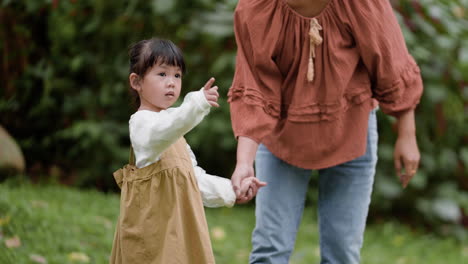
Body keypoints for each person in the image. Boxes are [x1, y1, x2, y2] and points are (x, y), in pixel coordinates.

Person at [228, 0, 423, 263]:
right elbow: (256, 90)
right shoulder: (257, 8)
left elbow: (391, 65)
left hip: (351, 131)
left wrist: (407, 135)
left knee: (341, 253)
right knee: (270, 250)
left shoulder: (362, 4)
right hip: (282, 138)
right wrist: (244, 162)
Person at [109, 37, 266, 264]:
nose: (171, 82)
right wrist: (196, 104)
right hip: (153, 239)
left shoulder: (175, 134)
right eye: (162, 74)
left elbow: (192, 180)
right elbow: (167, 127)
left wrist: (232, 191)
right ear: (136, 82)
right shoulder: (142, 125)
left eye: (177, 75)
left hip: (177, 235)